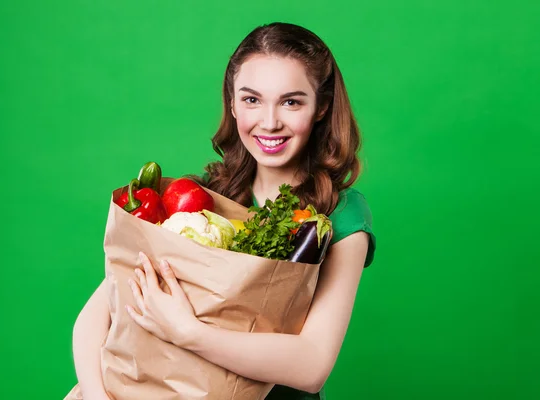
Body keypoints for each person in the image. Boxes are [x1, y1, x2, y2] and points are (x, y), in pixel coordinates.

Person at [72, 22, 376, 400]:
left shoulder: (340, 214)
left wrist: (190, 334)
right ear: (232, 103)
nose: (269, 122)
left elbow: (312, 364)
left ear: (321, 107)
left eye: (291, 101)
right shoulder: (199, 198)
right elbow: (98, 312)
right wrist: (97, 395)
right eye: (252, 100)